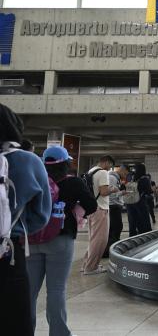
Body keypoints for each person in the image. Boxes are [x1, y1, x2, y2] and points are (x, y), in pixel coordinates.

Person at [29, 145, 98, 336]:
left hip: (33, 239)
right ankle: (59, 333)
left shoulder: (35, 178)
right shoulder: (74, 183)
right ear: (66, 163)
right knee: (56, 290)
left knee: (29, 292)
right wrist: (75, 208)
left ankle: (25, 329)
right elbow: (92, 205)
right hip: (61, 239)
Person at [0, 104, 51, 336]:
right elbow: (41, 214)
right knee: (15, 320)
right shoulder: (27, 161)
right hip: (8, 252)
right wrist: (15, 226)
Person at [82, 155, 115, 275]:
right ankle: (91, 267)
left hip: (91, 208)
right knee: (100, 240)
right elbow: (104, 192)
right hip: (101, 208)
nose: (110, 169)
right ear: (106, 162)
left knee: (93, 238)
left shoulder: (91, 171)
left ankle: (87, 263)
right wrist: (113, 189)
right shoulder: (102, 173)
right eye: (110, 165)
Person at [104, 165, 128, 258]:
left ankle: (110, 251)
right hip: (113, 206)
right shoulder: (113, 178)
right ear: (122, 170)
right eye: (125, 173)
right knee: (115, 229)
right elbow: (110, 195)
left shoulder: (115, 178)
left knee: (114, 229)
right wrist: (122, 193)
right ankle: (110, 252)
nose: (126, 176)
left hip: (113, 206)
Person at [126, 164, 153, 237]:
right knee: (144, 221)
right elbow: (149, 191)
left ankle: (132, 237)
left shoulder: (131, 178)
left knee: (132, 221)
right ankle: (144, 237)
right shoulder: (145, 179)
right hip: (140, 202)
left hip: (130, 203)